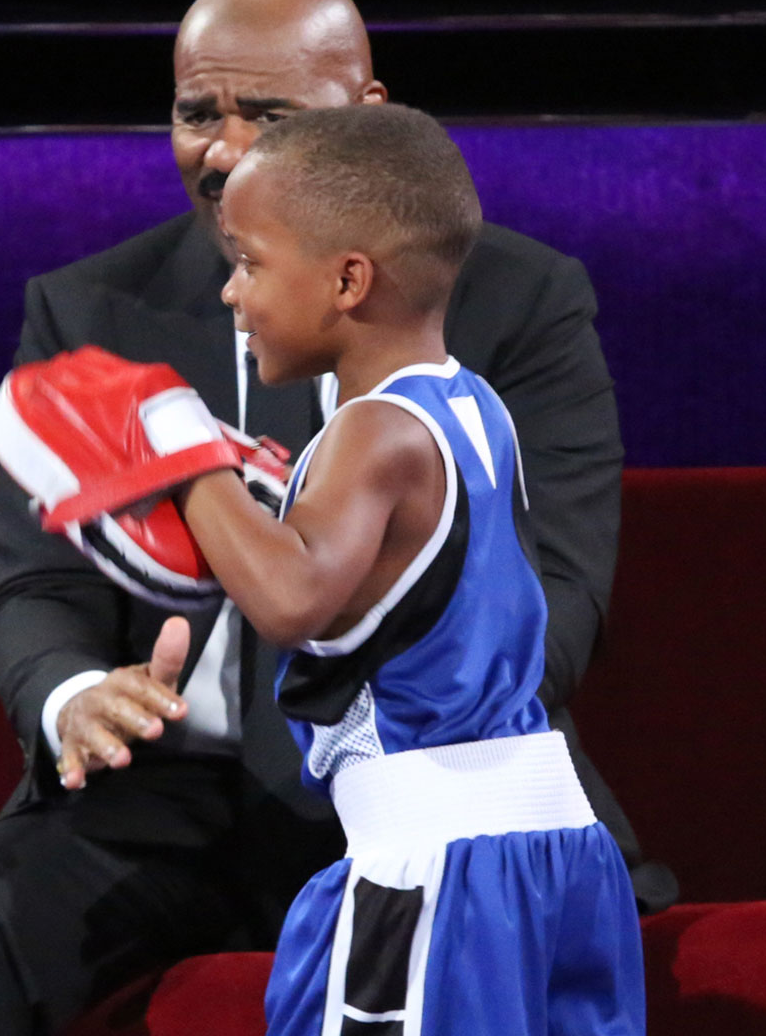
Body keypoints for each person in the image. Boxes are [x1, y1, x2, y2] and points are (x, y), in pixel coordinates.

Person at [0, 0, 668, 1036]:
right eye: (199, 113)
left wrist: (184, 466)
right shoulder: (88, 308)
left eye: (270, 115)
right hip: (162, 799)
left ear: (368, 118)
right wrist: (74, 698)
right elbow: (41, 582)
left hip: (423, 788)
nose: (227, 149)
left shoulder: (515, 301)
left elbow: (555, 592)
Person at [184, 102, 643, 1035]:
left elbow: (291, 599)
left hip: (435, 862)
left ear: (349, 279)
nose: (231, 294)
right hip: (550, 846)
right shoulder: (472, 405)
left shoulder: (374, 431)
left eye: (249, 262)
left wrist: (177, 460)